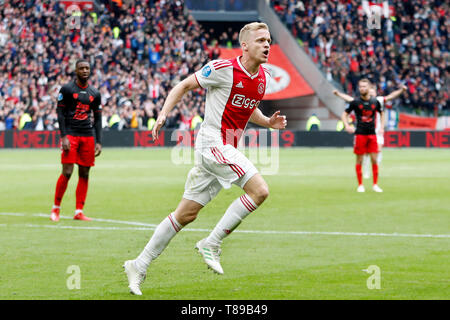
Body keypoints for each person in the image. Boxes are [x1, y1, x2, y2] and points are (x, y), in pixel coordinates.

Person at [123, 22, 287, 296]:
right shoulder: (222, 69)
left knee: (185, 214)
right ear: (244, 46)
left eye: (268, 40)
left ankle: (138, 264)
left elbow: (248, 107)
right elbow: (184, 85)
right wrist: (163, 113)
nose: (267, 45)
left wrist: (268, 122)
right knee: (260, 190)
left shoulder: (263, 78)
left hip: (224, 149)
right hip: (213, 142)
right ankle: (211, 243)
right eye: (260, 40)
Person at [50, 59, 102, 222]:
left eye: (87, 68)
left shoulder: (95, 93)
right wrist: (64, 136)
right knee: (67, 172)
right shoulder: (66, 89)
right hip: (71, 134)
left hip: (87, 135)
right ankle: (55, 209)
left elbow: (98, 118)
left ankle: (79, 211)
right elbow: (60, 113)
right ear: (76, 71)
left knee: (85, 173)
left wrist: (98, 141)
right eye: (81, 68)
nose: (85, 71)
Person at [334, 84, 407, 178]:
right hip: (365, 130)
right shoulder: (361, 101)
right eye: (370, 92)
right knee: (366, 154)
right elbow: (349, 99)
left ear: (375, 93)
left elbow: (391, 96)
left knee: (378, 151)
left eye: (373, 92)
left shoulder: (378, 101)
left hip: (377, 131)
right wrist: (338, 94)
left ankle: (375, 169)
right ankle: (367, 171)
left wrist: (401, 90)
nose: (371, 94)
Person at [339, 78, 384, 193]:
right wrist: (347, 125)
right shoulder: (355, 102)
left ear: (369, 88)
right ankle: (360, 185)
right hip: (360, 134)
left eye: (364, 86)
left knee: (374, 159)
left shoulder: (375, 102)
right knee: (359, 160)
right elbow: (344, 114)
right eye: (360, 87)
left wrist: (382, 127)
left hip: (372, 134)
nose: (362, 88)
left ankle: (375, 184)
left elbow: (381, 113)